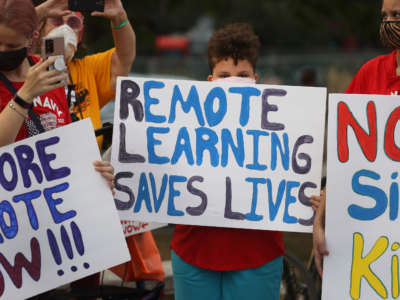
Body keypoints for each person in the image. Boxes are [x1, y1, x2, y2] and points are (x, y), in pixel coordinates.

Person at [170, 23, 285, 300]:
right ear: (210, 80)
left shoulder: (282, 126)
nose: (233, 82)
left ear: (255, 80)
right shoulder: (180, 122)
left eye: (242, 75)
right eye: (224, 75)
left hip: (258, 253)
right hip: (193, 250)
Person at [312, 0, 400, 276]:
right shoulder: (370, 73)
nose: (388, 23)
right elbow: (345, 155)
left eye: (396, 14)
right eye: (384, 15)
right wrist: (321, 218)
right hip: (372, 230)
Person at [37, 0, 136, 149]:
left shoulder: (88, 69)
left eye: (73, 23)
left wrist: (119, 18)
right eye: (56, 21)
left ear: (80, 35)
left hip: (88, 166)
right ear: (39, 31)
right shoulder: (24, 68)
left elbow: (124, 57)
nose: (64, 28)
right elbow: (7, 32)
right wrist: (39, 12)